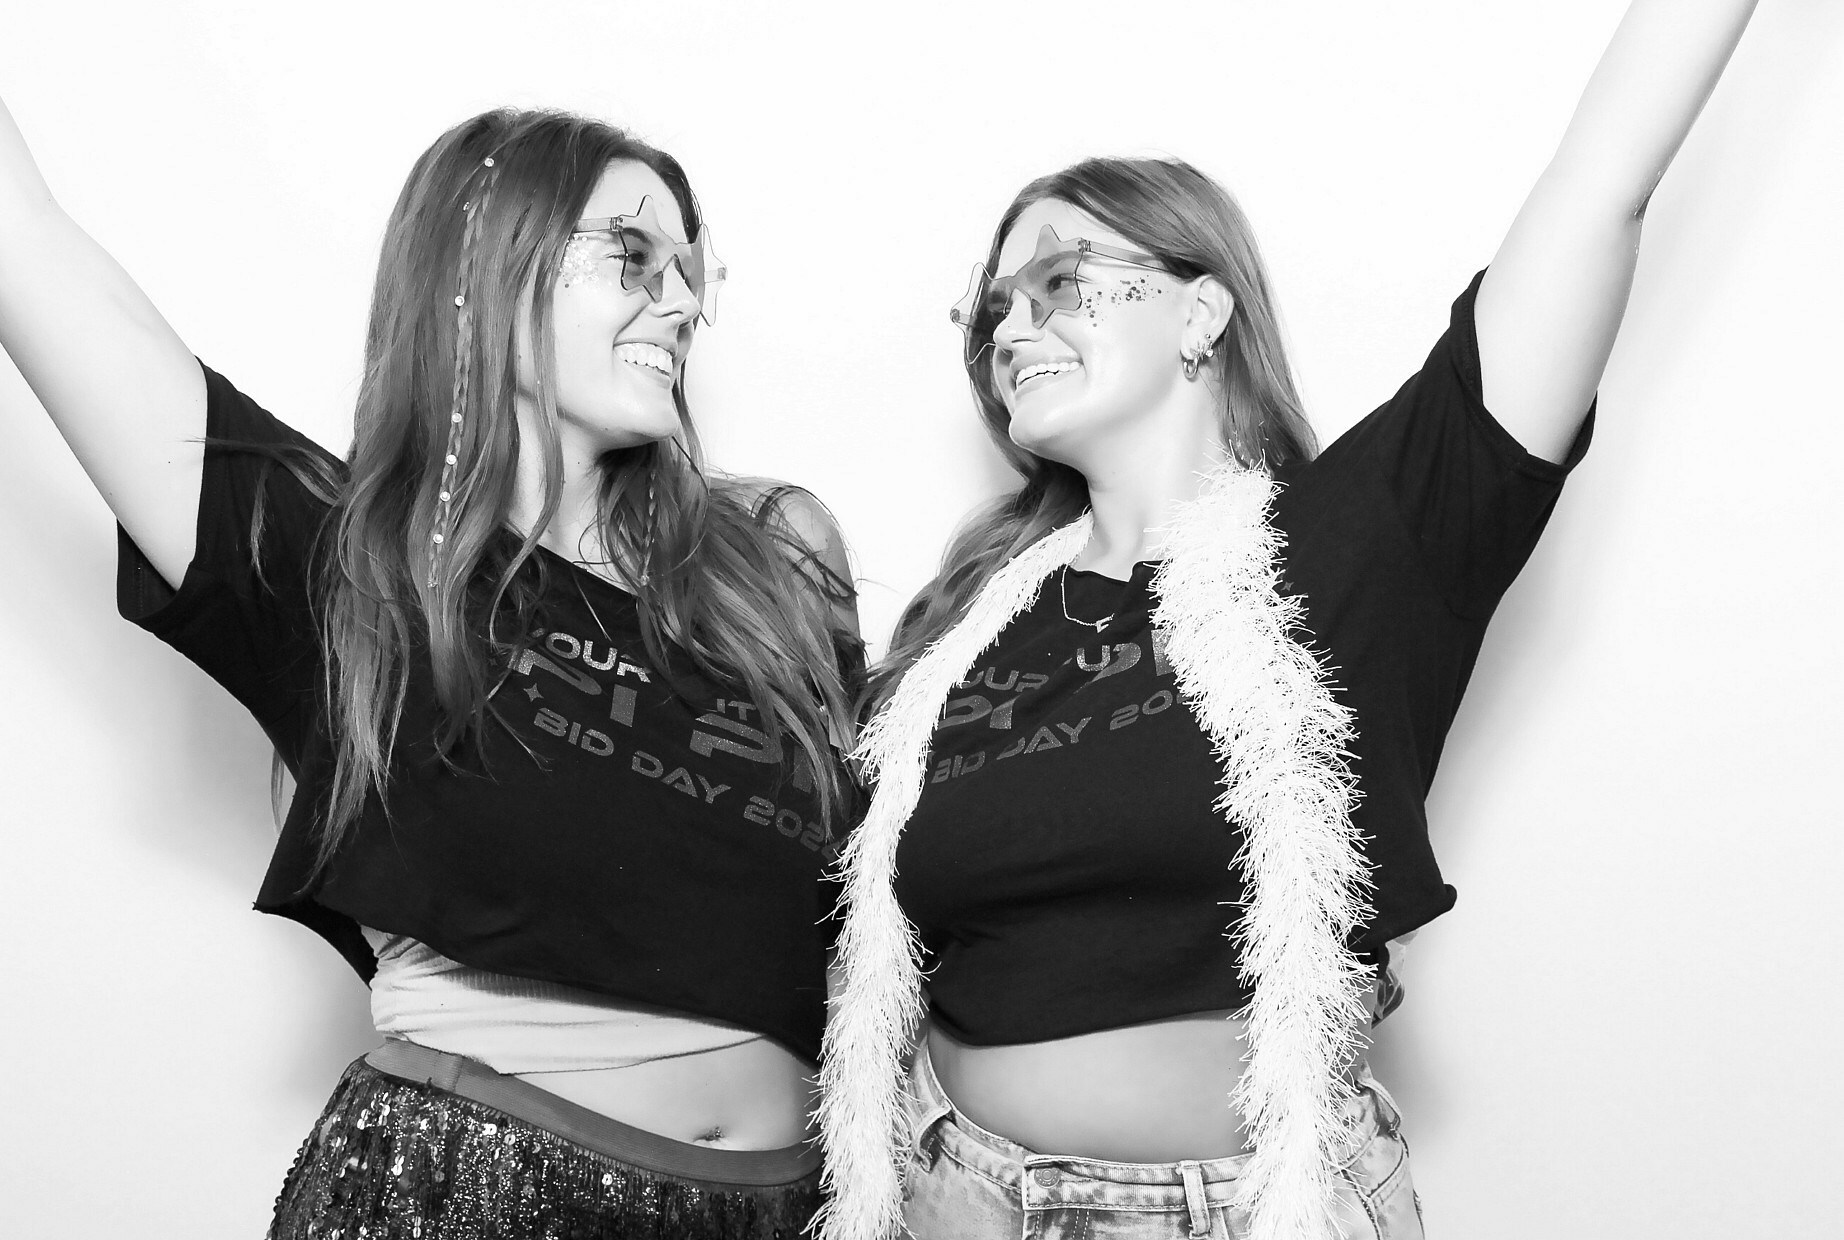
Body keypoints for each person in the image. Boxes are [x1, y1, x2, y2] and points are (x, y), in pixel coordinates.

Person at [816, 2, 1762, 1238]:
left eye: (1057, 282)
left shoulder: (1360, 543)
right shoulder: (961, 635)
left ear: (1201, 313)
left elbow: (1599, 188)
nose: (1011, 327)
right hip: (951, 1200)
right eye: (990, 307)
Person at [0, 101, 860, 1239]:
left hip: (786, 1209)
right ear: (483, 267)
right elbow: (24, 237)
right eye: (632, 255)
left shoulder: (772, 564)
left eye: (692, 271)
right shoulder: (347, 570)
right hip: (467, 1192)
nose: (681, 302)